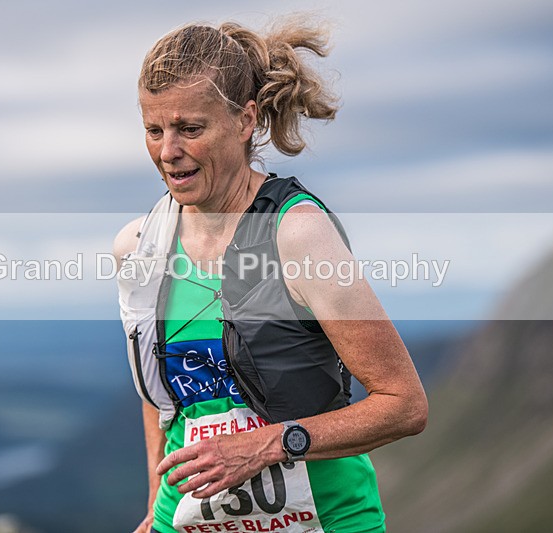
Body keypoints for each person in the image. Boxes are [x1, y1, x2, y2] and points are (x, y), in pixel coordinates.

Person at [115, 17, 428, 533]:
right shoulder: (139, 245)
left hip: (324, 520)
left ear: (245, 120)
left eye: (190, 128)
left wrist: (264, 446)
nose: (168, 152)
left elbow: (404, 405)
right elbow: (158, 398)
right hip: (188, 521)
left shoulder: (298, 234)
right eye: (154, 130)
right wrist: (155, 503)